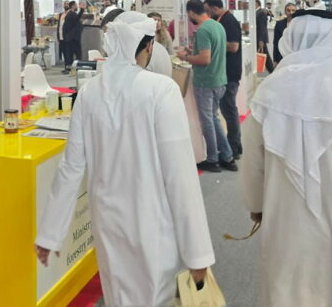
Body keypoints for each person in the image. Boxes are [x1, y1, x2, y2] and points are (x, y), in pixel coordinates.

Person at [35, 18, 215, 307]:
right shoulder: (161, 90)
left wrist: (50, 233)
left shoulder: (90, 91)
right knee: (154, 297)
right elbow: (180, 175)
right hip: (153, 220)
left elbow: (71, 168)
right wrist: (197, 252)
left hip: (107, 221)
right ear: (148, 46)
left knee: (118, 296)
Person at [241, 10, 332, 307]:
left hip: (285, 216)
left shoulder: (272, 89)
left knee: (287, 287)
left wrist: (256, 206)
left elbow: (252, 162)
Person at [176, 0, 237, 173]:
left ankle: (213, 159)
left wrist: (184, 57)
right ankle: (227, 156)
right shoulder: (217, 26)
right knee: (213, 118)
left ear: (191, 12)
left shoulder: (202, 30)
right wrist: (192, 52)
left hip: (206, 82)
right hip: (219, 80)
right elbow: (213, 52)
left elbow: (205, 59)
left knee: (207, 122)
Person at [204, 0, 243, 159]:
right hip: (225, 72)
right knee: (228, 110)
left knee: (229, 110)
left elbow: (234, 46)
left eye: (208, 10)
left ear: (214, 8)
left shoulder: (229, 21)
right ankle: (235, 145)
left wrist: (214, 43)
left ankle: (233, 146)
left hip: (230, 73)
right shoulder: (222, 20)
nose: (207, 13)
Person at [112, 10, 172, 77]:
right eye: (154, 20)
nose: (157, 22)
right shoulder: (158, 49)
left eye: (159, 20)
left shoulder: (140, 58)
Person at [62, 1, 84, 73]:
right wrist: (82, 9)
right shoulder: (72, 14)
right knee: (77, 54)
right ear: (73, 6)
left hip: (70, 38)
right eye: (76, 5)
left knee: (70, 54)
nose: (77, 6)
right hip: (73, 38)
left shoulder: (69, 14)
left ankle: (69, 69)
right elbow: (77, 18)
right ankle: (77, 69)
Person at [256, 0, 274, 73]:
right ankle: (272, 71)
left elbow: (263, 27)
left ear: (257, 3)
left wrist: (261, 40)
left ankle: (272, 71)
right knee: (265, 57)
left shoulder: (261, 13)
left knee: (266, 57)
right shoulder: (257, 12)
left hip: (260, 39)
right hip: (257, 38)